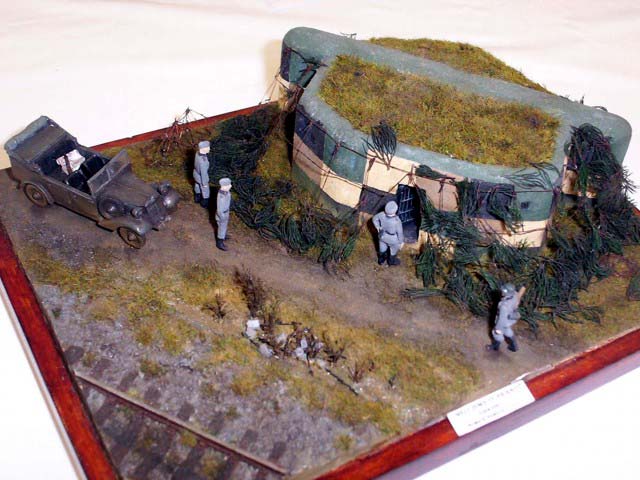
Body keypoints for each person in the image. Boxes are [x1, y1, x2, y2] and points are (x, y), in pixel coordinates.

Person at [489, 283, 525, 352]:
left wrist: (498, 329)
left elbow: (501, 320)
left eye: (504, 291)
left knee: (496, 334)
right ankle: (514, 346)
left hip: (504, 321)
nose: (502, 291)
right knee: (507, 331)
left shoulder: (504, 306)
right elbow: (518, 298)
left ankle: (495, 347)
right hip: (510, 320)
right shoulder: (514, 294)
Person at [372, 200, 404, 266]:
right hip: (393, 239)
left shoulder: (381, 214)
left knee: (382, 249)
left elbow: (374, 219)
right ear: (395, 211)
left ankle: (381, 260)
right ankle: (391, 261)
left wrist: (378, 227)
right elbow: (400, 233)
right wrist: (401, 242)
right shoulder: (397, 221)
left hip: (382, 235)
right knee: (393, 251)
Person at [215, 177, 232, 251]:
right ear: (223, 187)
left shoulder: (226, 192)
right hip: (222, 214)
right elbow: (219, 210)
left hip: (226, 212)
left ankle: (223, 235)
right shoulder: (221, 196)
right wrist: (222, 217)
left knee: (223, 227)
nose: (230, 186)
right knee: (221, 228)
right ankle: (220, 242)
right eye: (228, 185)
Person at [193, 140, 211, 208]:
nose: (209, 149)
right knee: (205, 191)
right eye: (208, 147)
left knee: (197, 186)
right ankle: (204, 203)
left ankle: (197, 198)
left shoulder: (197, 153)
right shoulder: (203, 161)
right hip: (201, 178)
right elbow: (204, 173)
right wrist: (205, 183)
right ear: (203, 149)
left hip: (196, 174)